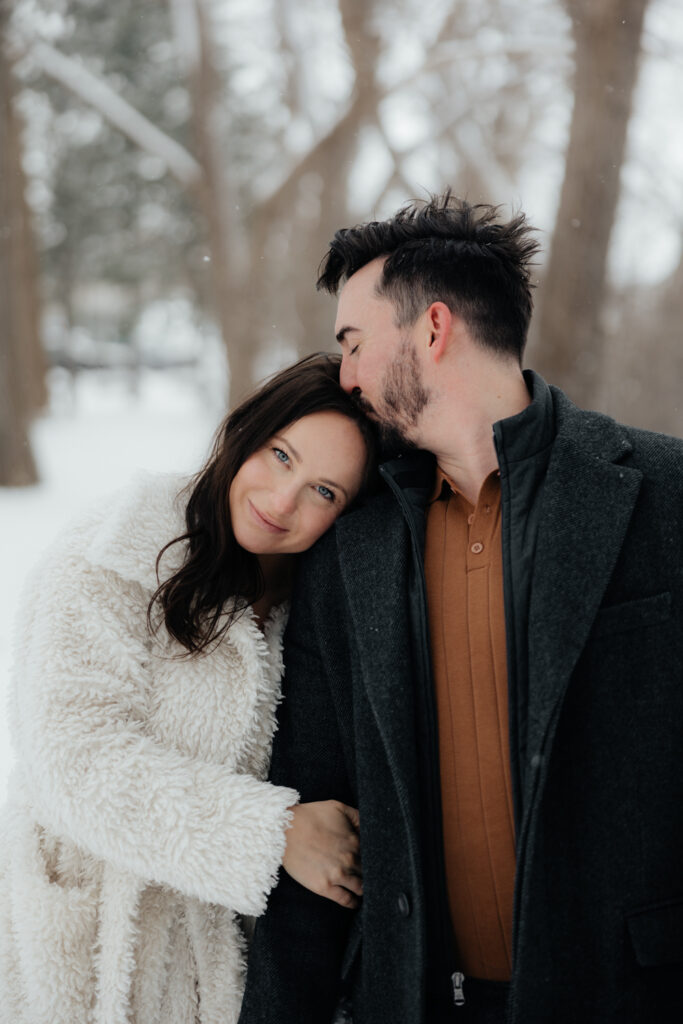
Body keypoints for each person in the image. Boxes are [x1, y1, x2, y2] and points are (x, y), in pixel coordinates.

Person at [238, 193, 683, 1024]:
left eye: (354, 342)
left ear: (432, 330)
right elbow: (315, 806)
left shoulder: (663, 495)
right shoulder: (350, 546)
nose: (345, 375)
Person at [0, 353, 374, 1024]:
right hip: (90, 957)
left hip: (220, 969)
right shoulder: (110, 556)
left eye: (324, 491)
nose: (282, 501)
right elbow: (73, 758)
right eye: (280, 455)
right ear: (242, 433)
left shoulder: (313, 609)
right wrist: (272, 834)